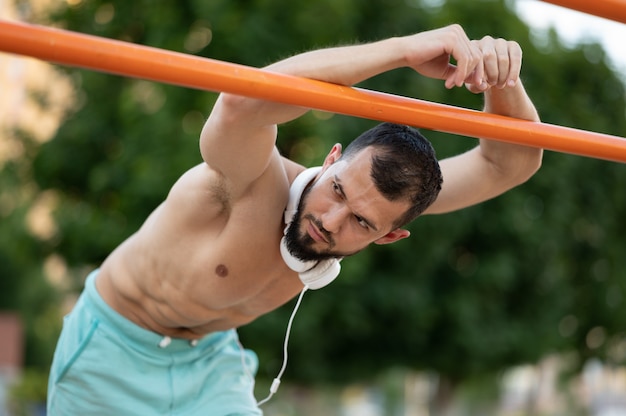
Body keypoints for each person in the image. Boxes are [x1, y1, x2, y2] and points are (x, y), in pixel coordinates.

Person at [46, 24, 542, 415]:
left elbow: (508, 165)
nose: (330, 218)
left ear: (391, 235)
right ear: (329, 160)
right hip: (113, 349)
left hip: (209, 365)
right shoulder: (251, 179)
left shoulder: (380, 204)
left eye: (362, 224)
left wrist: (502, 79)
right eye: (338, 189)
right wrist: (402, 49)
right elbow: (241, 103)